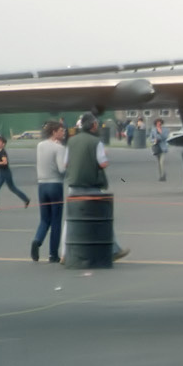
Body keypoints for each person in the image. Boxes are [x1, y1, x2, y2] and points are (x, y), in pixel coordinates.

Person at [65, 112, 129, 261]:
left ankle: (66, 253)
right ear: (93, 125)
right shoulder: (96, 142)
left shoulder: (71, 141)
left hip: (74, 184)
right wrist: (104, 155)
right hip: (91, 185)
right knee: (102, 219)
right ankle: (113, 250)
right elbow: (103, 163)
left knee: (73, 222)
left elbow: (66, 163)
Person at [31, 120, 68, 263]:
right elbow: (61, 169)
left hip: (42, 185)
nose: (63, 132)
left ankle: (37, 240)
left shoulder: (40, 145)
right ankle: (53, 254)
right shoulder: (59, 148)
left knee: (44, 219)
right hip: (55, 185)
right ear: (54, 132)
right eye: (61, 130)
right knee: (56, 221)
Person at [0, 135, 30, 211]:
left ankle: (26, 199)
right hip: (2, 173)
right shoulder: (0, 152)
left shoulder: (2, 152)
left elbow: (5, 162)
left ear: (3, 144)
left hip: (6, 173)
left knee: (12, 188)